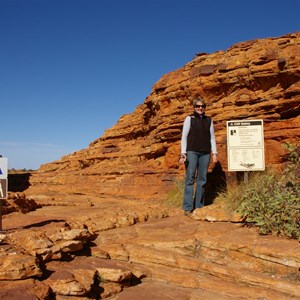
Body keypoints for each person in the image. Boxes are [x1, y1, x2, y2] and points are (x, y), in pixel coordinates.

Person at [179, 97, 218, 216]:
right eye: (198, 106)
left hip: (205, 153)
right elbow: (184, 137)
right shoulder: (189, 119)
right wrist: (183, 153)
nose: (200, 108)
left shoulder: (209, 120)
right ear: (194, 107)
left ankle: (199, 207)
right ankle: (187, 207)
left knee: (202, 179)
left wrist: (214, 153)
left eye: (202, 106)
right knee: (190, 178)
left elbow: (212, 137)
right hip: (192, 152)